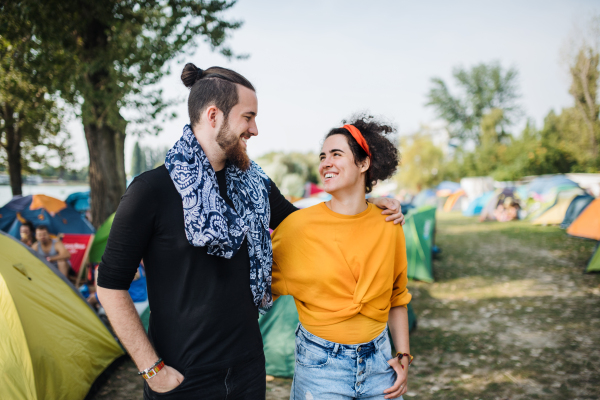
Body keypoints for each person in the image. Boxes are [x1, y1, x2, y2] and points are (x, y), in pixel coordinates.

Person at [97, 64, 405, 400]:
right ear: (214, 116)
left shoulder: (254, 184)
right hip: (183, 378)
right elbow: (110, 286)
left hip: (247, 371)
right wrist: (151, 368)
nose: (255, 129)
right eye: (248, 117)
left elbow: (309, 224)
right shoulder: (150, 191)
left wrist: (371, 204)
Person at [271, 117, 412, 399]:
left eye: (336, 154)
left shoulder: (388, 223)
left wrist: (403, 354)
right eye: (322, 156)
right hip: (320, 368)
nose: (325, 162)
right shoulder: (298, 227)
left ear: (363, 164)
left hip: (380, 365)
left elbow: (398, 296)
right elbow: (256, 287)